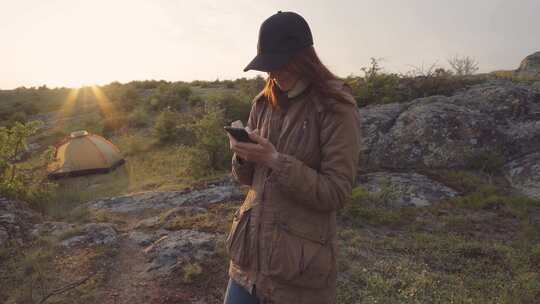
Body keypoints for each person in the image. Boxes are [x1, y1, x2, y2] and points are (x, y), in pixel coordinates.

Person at [224, 11, 360, 304]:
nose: (274, 74)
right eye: (269, 67)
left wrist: (275, 160)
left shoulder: (336, 106)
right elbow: (247, 181)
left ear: (304, 58)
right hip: (246, 266)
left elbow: (336, 193)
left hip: (297, 273)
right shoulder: (263, 102)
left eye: (281, 64)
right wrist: (244, 156)